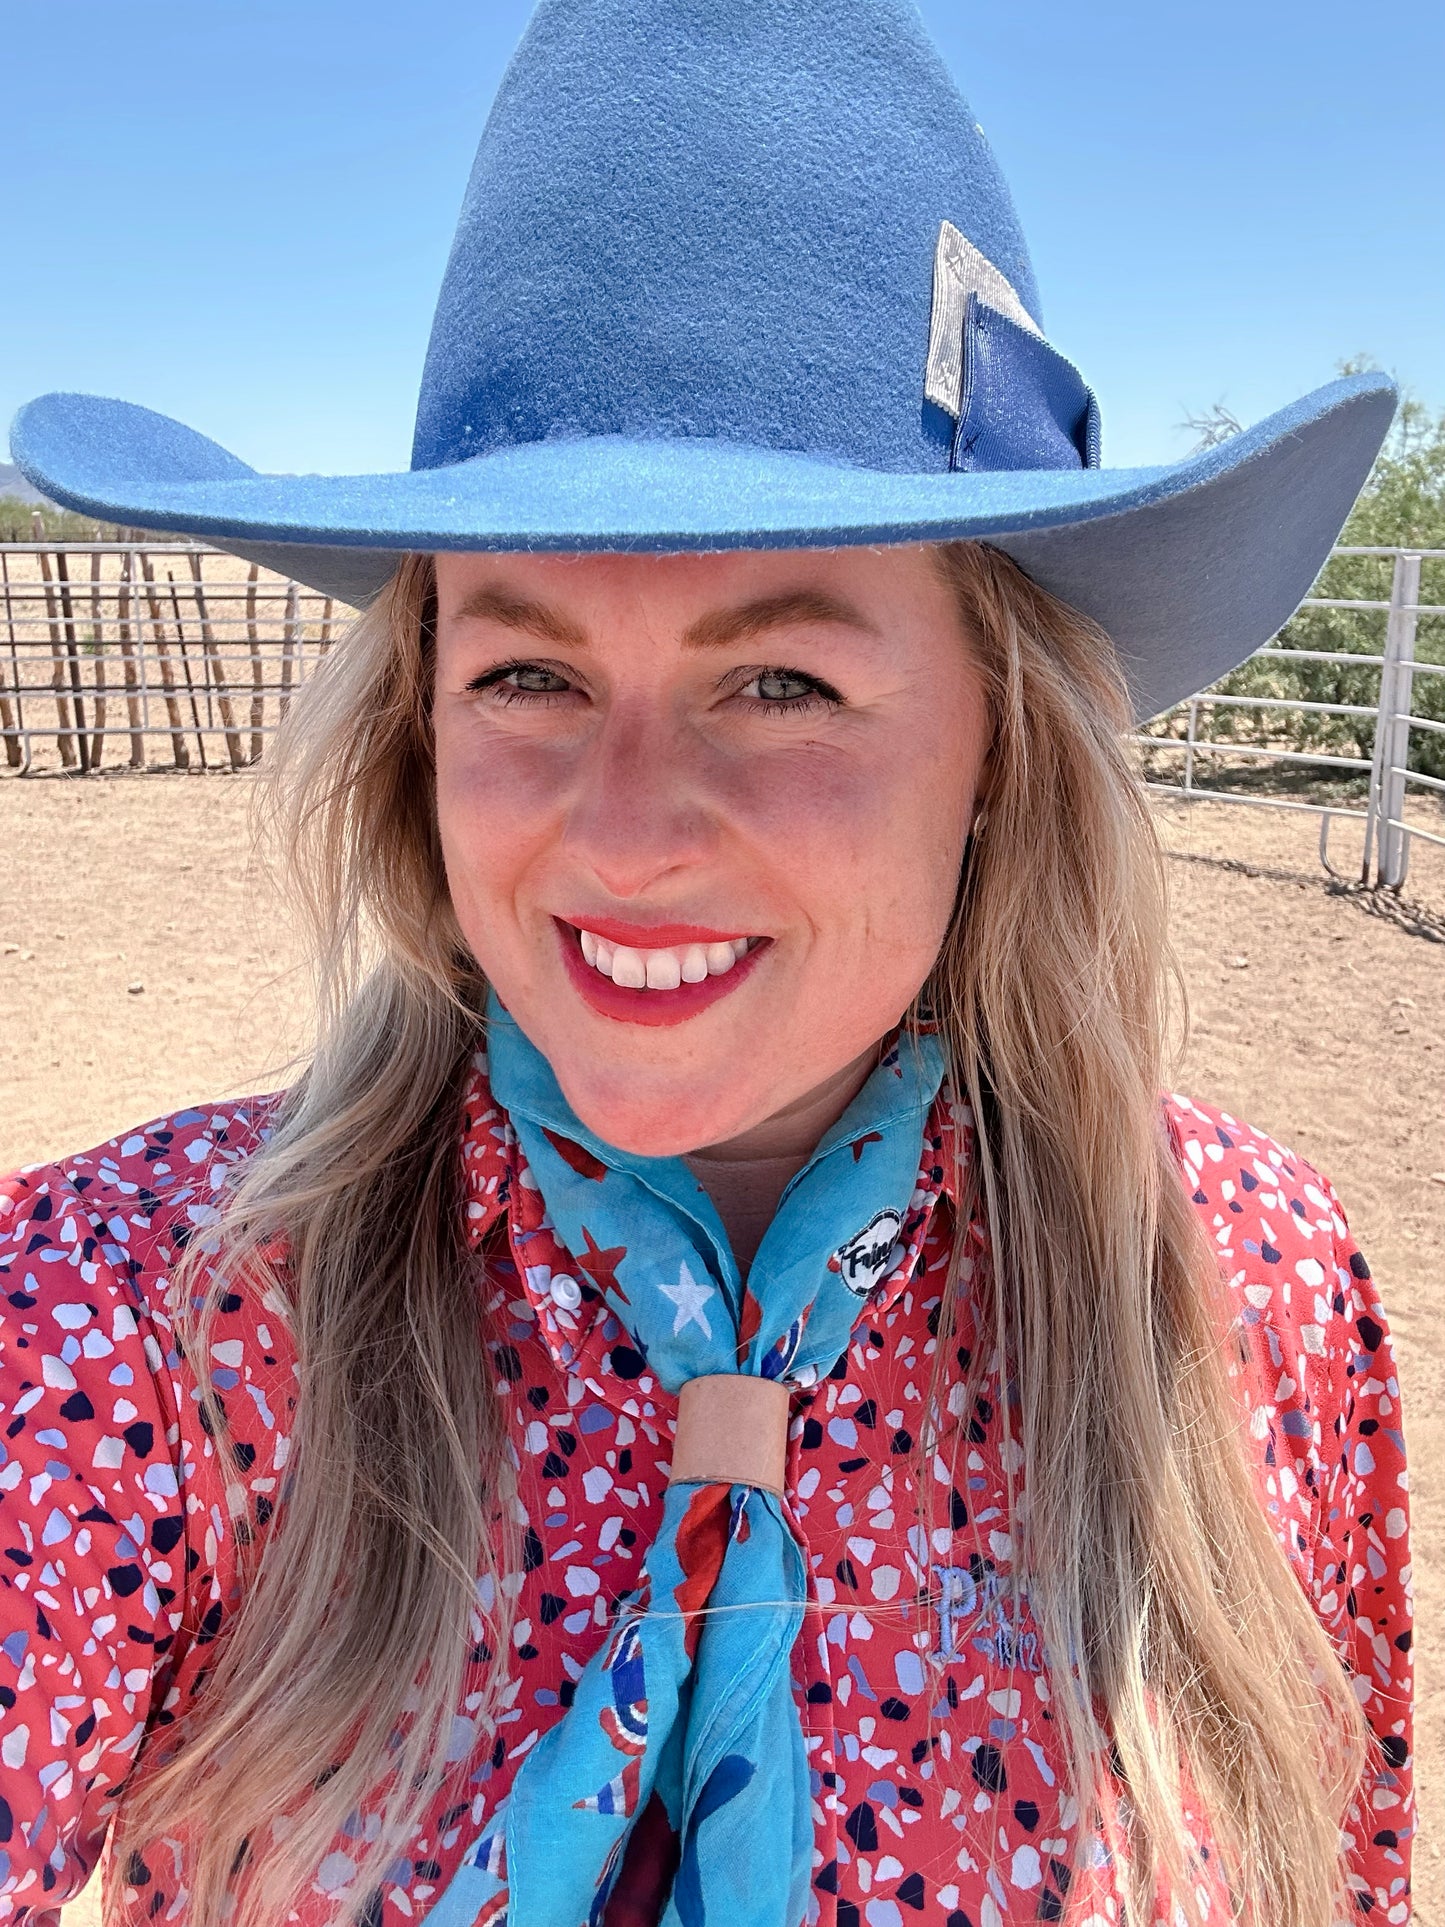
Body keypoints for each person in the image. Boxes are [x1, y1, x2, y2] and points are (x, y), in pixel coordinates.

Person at [1, 2, 1412, 1925]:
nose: (627, 829)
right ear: (415, 724)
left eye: (781, 680)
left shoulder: (1254, 1300)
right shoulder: (133, 1329)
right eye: (525, 671)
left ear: (997, 744)